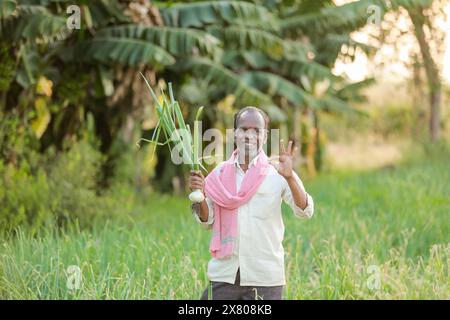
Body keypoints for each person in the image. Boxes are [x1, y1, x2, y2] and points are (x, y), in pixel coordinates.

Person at [189, 106, 314, 300]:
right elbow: (207, 220)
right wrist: (199, 194)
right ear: (234, 134)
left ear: (265, 136)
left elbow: (305, 211)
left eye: (257, 130)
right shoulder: (219, 173)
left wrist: (290, 178)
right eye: (244, 129)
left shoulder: (277, 171)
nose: (249, 135)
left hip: (265, 277)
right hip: (225, 274)